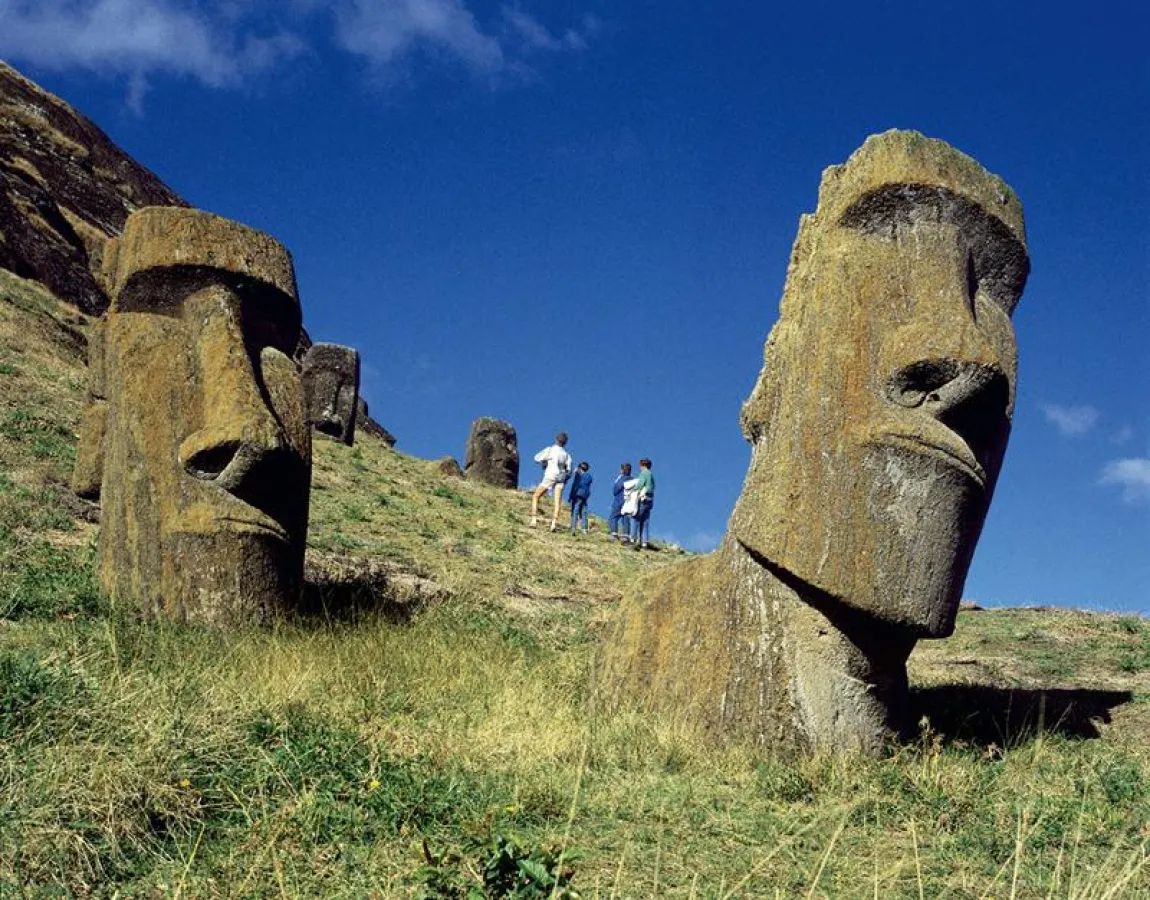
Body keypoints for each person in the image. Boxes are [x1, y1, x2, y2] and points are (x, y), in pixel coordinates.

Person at [531, 432, 572, 531]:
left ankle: (534, 520)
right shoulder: (567, 455)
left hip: (550, 475)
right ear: (565, 442)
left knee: (536, 496)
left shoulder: (550, 450)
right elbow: (569, 470)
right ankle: (553, 524)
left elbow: (536, 458)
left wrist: (544, 462)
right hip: (561, 478)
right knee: (557, 502)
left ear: (556, 439)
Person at [630, 458, 655, 549]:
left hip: (643, 499)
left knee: (635, 517)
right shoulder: (651, 475)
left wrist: (632, 490)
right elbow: (653, 486)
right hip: (650, 499)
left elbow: (640, 484)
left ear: (643, 465)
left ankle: (633, 539)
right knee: (645, 521)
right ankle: (644, 542)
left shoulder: (643, 473)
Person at [607, 462, 632, 541]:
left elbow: (615, 491)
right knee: (626, 518)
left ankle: (614, 533)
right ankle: (626, 535)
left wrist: (617, 480)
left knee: (613, 517)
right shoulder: (633, 479)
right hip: (628, 501)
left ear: (622, 470)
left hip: (619, 501)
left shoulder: (621, 478)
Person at [567, 461, 593, 533]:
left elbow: (574, 486)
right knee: (584, 511)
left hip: (577, 494)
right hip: (585, 495)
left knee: (575, 510)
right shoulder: (589, 476)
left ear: (580, 468)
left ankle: (573, 527)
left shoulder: (579, 476)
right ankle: (584, 528)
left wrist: (570, 496)